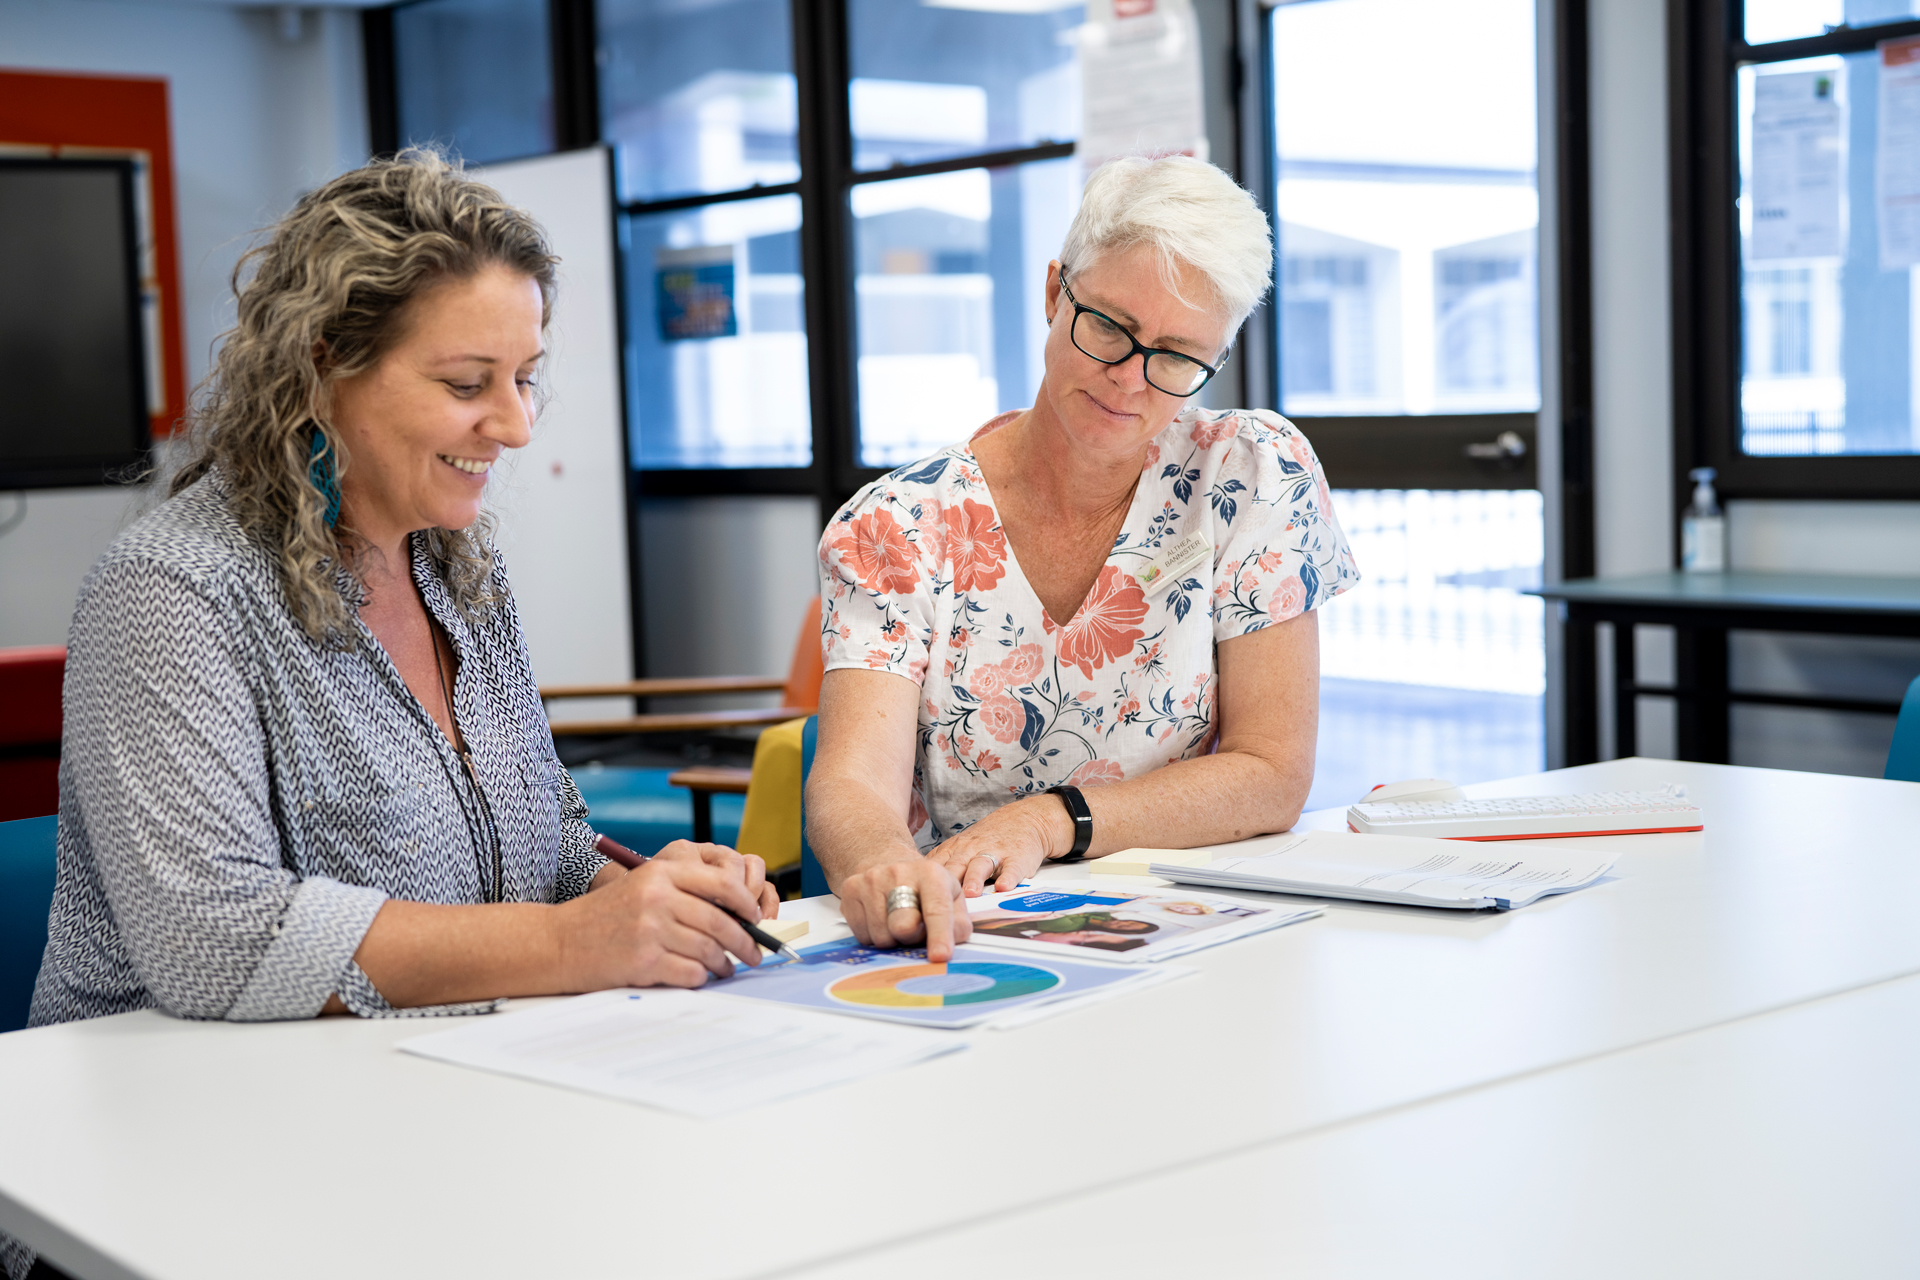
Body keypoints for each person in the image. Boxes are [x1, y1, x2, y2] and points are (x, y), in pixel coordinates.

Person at [26, 150, 777, 1033]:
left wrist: (656, 900)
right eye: (467, 384)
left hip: (418, 1082)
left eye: (525, 378)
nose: (517, 426)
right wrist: (581, 941)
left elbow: (551, 850)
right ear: (323, 365)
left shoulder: (460, 571)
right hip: (176, 1114)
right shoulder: (174, 590)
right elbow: (216, 941)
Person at [808, 155, 1360, 961]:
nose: (1129, 381)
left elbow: (1272, 771)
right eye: (1108, 326)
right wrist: (883, 867)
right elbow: (853, 783)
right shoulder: (900, 526)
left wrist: (1051, 819)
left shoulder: (1250, 476)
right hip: (973, 936)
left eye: (1175, 356)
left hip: (1198, 929)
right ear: (1052, 293)